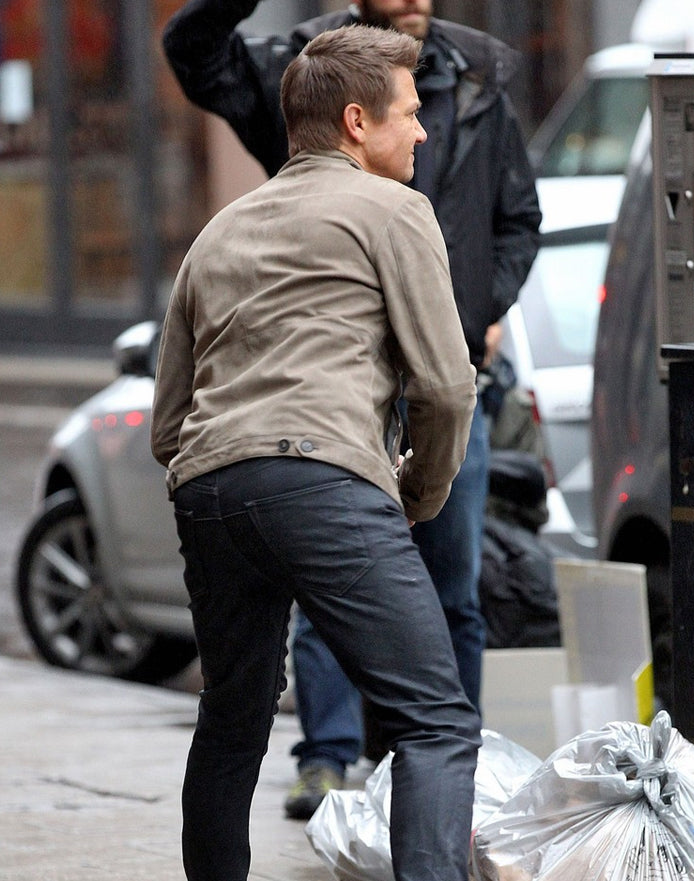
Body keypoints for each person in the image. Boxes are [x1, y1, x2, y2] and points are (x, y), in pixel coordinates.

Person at [163, 0, 541, 819]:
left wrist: (484, 303)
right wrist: (413, 495)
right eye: (407, 115)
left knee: (230, 721)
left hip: (211, 485)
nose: (422, 132)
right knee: (437, 722)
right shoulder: (396, 202)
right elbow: (445, 388)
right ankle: (339, 768)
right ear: (356, 121)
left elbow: (169, 424)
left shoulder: (216, 232)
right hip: (338, 463)